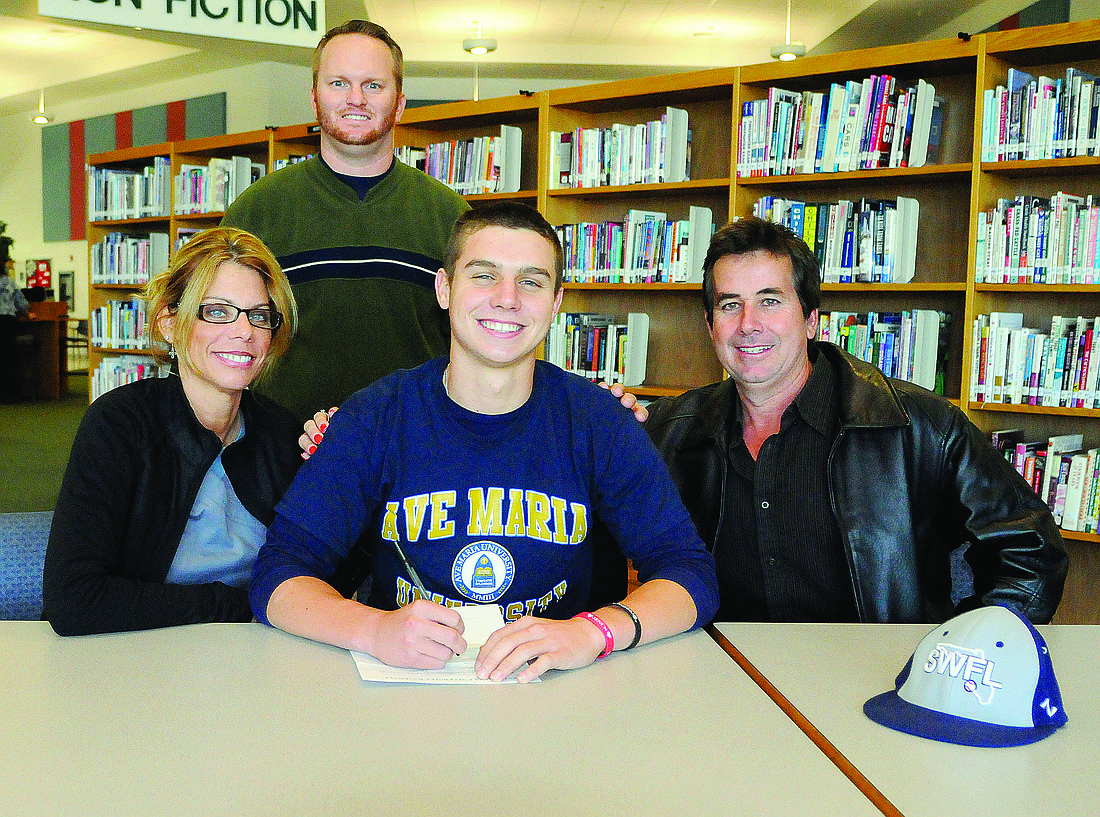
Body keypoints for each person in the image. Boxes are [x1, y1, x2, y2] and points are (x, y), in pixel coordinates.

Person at [250, 202, 719, 682]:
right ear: (444, 288)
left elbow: (689, 574)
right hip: (410, 692)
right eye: (484, 276)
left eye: (532, 282)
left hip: (552, 692)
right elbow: (279, 576)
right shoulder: (376, 416)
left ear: (556, 304)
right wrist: (373, 630)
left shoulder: (599, 420)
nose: (508, 299)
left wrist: (593, 632)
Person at [644, 216, 1067, 624]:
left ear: (811, 320)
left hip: (874, 677)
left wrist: (966, 652)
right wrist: (597, 423)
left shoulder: (919, 427)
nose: (748, 325)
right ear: (710, 325)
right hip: (721, 676)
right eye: (730, 305)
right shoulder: (668, 432)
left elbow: (1030, 551)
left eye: (770, 301)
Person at [43, 228, 307, 636]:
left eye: (259, 315)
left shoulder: (281, 432)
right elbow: (74, 599)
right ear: (170, 323)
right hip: (140, 655)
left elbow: (330, 575)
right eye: (217, 311)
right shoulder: (119, 424)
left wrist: (344, 465)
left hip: (258, 658)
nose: (244, 331)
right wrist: (246, 606)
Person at [221, 19, 469, 421]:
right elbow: (217, 334)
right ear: (315, 99)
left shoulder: (451, 217)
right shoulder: (255, 212)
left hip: (416, 453)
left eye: (373, 85)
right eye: (338, 83)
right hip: (282, 456)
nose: (356, 98)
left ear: (400, 103)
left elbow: (473, 345)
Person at [0, 247, 30, 404]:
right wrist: (26, 312)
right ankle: (8, 394)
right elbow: (22, 304)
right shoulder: (9, 283)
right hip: (6, 323)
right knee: (7, 358)